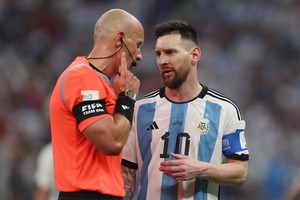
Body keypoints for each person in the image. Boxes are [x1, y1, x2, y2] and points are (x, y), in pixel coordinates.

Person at [121, 19, 249, 200]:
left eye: (170, 52)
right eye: (158, 54)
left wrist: (200, 169)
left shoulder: (225, 109)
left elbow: (240, 172)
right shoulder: (140, 109)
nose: (162, 60)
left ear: (195, 55)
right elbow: (125, 175)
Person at [49, 9, 144, 200]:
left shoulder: (100, 82)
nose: (140, 55)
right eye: (138, 45)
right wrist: (127, 96)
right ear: (119, 40)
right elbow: (112, 142)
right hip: (85, 195)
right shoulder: (81, 77)